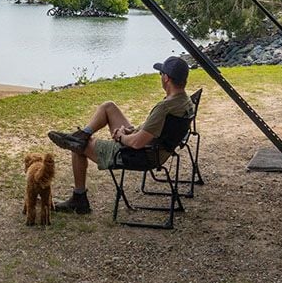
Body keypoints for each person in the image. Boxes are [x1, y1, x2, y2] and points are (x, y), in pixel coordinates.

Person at [47, 56, 195, 214]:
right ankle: (83, 134)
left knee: (77, 147)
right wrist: (130, 132)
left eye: (161, 74)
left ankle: (79, 199)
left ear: (166, 78)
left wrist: (121, 137)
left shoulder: (165, 107)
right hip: (155, 148)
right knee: (108, 107)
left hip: (141, 154)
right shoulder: (185, 102)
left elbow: (137, 143)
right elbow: (152, 131)